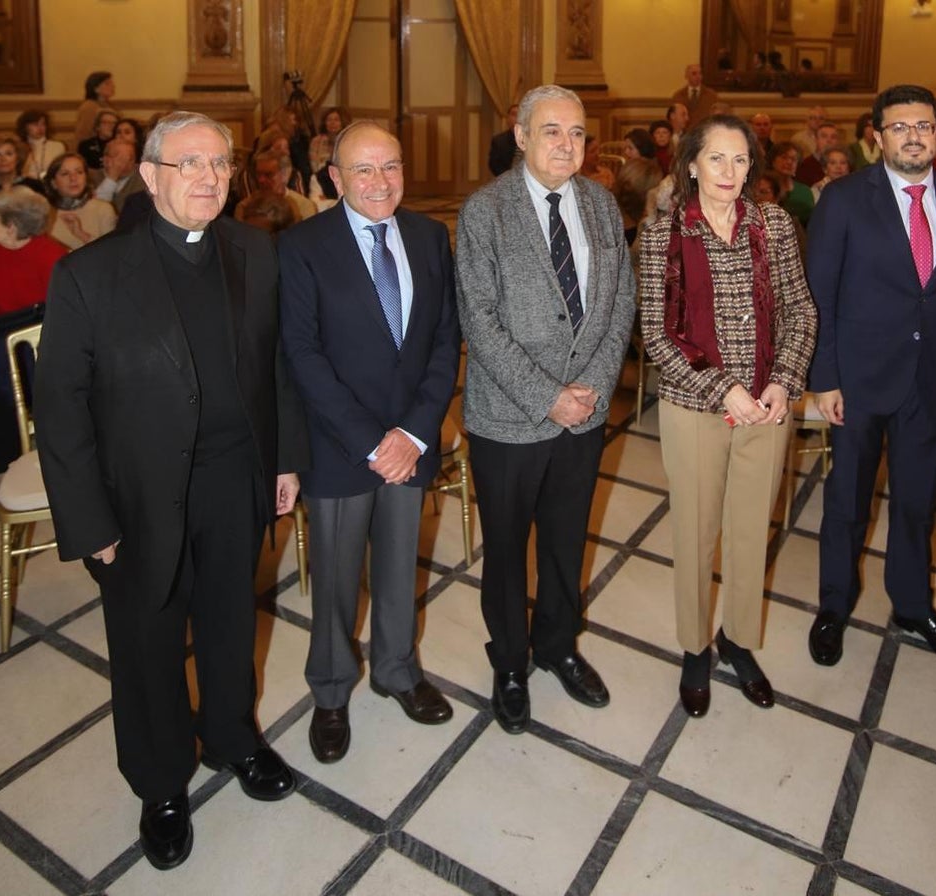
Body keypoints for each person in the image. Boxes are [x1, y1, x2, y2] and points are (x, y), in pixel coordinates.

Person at [34, 111, 308, 872]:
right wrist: (89, 521)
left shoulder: (256, 251)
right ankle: (159, 784)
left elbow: (276, 366)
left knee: (229, 621)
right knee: (147, 643)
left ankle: (233, 738)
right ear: (150, 175)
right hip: (137, 497)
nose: (208, 178)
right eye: (188, 164)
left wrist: (284, 458)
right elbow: (61, 412)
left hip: (234, 480)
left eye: (219, 163)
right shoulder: (88, 275)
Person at [455, 84, 636, 734]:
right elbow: (479, 318)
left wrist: (588, 385)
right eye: (552, 131)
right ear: (523, 136)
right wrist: (546, 395)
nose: (567, 144)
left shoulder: (603, 206)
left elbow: (620, 305)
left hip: (583, 414)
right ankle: (509, 662)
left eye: (578, 133)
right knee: (507, 552)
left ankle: (558, 645)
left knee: (564, 542)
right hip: (508, 419)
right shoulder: (486, 212)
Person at [279, 121, 460, 764]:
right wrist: (370, 442)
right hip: (339, 447)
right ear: (335, 178)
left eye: (391, 167)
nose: (380, 182)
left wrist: (412, 433)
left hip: (409, 442)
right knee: (334, 577)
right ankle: (330, 690)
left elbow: (444, 340)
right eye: (363, 169)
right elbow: (301, 355)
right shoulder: (301, 246)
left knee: (397, 564)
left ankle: (396, 669)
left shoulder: (431, 235)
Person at [806, 84, 936, 669]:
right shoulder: (841, 199)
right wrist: (825, 377)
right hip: (859, 380)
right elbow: (820, 296)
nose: (913, 136)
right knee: (847, 501)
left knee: (916, 503)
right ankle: (834, 605)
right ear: (877, 136)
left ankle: (913, 606)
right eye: (899, 127)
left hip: (934, 380)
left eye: (924, 126)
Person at [639, 115, 817, 717]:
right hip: (695, 407)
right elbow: (657, 336)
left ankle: (738, 639)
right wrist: (724, 390)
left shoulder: (775, 226)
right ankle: (695, 647)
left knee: (749, 531)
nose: (729, 173)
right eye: (717, 159)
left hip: (767, 407)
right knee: (695, 532)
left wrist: (782, 383)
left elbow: (800, 312)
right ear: (691, 164)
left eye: (741, 161)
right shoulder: (662, 232)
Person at [0, 187, 67, 525]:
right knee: (1, 380)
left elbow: (65, 317)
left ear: (12, 225)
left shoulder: (52, 256)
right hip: (4, 350)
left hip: (45, 351)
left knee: (2, 384)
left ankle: (0, 483)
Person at [43, 152, 118, 250]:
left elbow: (111, 253)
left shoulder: (103, 209)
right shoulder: (44, 212)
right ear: (53, 183)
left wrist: (82, 235)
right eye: (65, 174)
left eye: (79, 172)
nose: (73, 178)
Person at [235, 149, 317, 223]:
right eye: (258, 174)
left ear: (285, 175)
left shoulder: (304, 206)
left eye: (268, 175)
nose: (261, 180)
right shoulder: (244, 207)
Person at [614, 127, 663, 246]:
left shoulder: (651, 176)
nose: (626, 153)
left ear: (643, 150)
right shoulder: (628, 171)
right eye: (625, 148)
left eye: (630, 148)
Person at [93, 138, 147, 214]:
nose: (124, 162)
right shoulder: (92, 177)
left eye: (129, 158)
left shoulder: (143, 178)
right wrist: (111, 178)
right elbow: (96, 211)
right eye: (118, 157)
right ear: (105, 159)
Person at [769, 141, 814, 227]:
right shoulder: (764, 188)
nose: (789, 162)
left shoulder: (805, 191)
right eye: (784, 157)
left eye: (793, 159)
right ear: (773, 161)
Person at [15, 110, 64, 181]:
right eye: (35, 124)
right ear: (25, 127)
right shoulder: (18, 147)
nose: (40, 128)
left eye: (43, 124)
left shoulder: (58, 146)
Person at [73, 71, 116, 145]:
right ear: (96, 89)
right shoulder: (89, 107)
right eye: (107, 83)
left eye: (112, 83)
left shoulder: (106, 105)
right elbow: (83, 135)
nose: (113, 86)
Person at [795, 121, 839, 186]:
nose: (829, 140)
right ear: (816, 139)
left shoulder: (843, 165)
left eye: (833, 137)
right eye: (824, 136)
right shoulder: (804, 166)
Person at [77, 109, 120, 176]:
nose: (111, 126)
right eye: (106, 122)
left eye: (114, 123)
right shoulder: (85, 145)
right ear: (97, 126)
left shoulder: (122, 146)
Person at [488, 103, 520, 176]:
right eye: (514, 114)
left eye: (520, 115)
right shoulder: (499, 141)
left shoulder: (532, 139)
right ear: (508, 118)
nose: (517, 118)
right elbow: (494, 165)